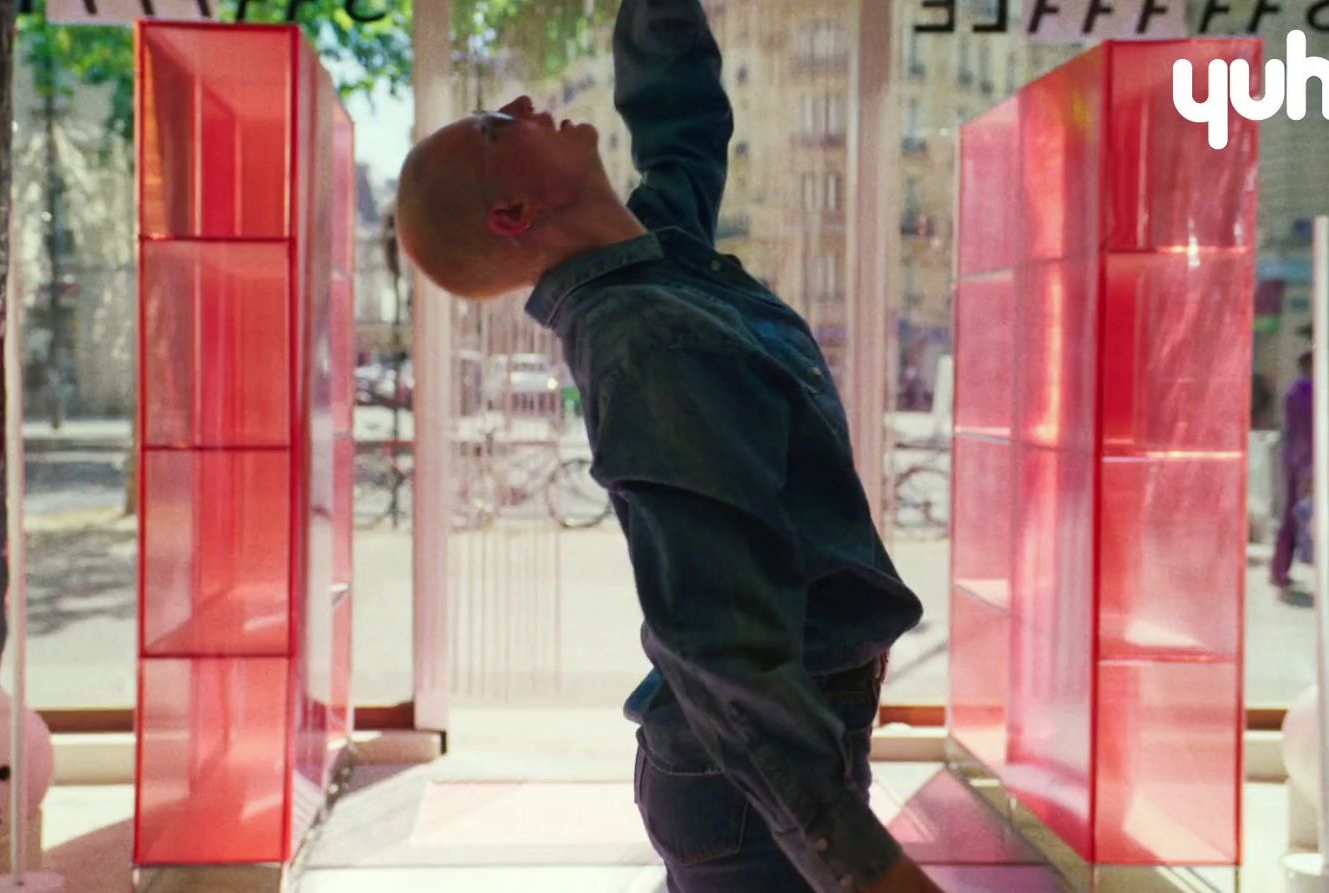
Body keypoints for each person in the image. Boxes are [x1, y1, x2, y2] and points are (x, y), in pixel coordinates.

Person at [394, 2, 936, 891]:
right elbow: (722, 642)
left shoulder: (661, 258)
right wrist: (863, 865)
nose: (527, 102)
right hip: (748, 797)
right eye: (498, 128)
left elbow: (680, 123)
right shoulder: (647, 342)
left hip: (755, 773)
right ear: (516, 211)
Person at [1272, 350, 1329, 592]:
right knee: (1320, 512)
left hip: (1311, 460)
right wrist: (1312, 469)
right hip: (1311, 461)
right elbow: (1308, 431)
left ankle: (1287, 569)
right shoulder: (1304, 390)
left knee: (1323, 513)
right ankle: (1287, 569)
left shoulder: (1306, 389)